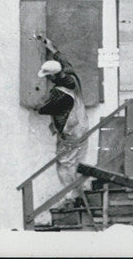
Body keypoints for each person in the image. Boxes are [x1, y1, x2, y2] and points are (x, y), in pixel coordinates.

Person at [35, 35, 89, 193]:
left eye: (48, 76)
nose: (48, 79)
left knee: (64, 163)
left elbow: (43, 109)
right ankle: (80, 193)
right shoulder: (71, 75)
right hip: (82, 125)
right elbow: (64, 61)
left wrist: (38, 102)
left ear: (53, 76)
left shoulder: (60, 93)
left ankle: (69, 197)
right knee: (79, 162)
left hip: (70, 132)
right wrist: (51, 47)